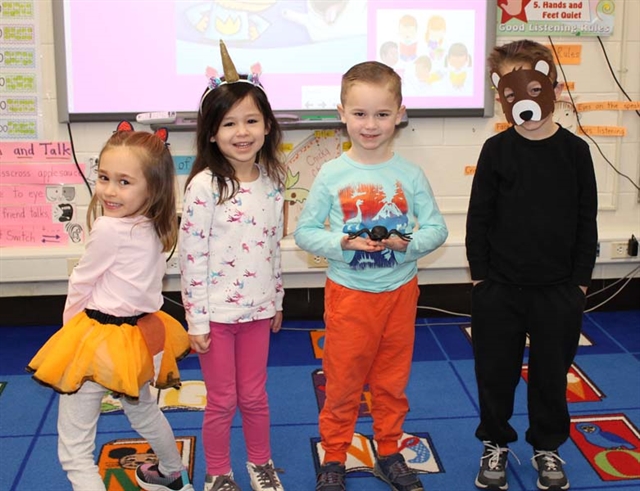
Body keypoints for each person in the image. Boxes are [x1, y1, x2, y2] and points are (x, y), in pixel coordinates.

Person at [294, 61, 448, 491]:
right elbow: (305, 232)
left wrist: (408, 244)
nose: (370, 124)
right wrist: (343, 243)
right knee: (342, 384)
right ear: (341, 113)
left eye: (382, 113)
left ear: (400, 113)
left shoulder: (410, 175)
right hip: (350, 296)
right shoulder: (331, 175)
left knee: (391, 383)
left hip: (400, 294)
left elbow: (437, 228)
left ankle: (389, 451)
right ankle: (335, 455)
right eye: (360, 113)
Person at [27, 124, 193, 491]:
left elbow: (82, 282)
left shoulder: (107, 228)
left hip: (99, 342)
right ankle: (172, 472)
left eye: (123, 182)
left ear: (153, 187)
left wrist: (69, 336)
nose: (108, 191)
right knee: (144, 410)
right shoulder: (155, 224)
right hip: (143, 337)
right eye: (103, 177)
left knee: (74, 448)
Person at [466, 39, 598, 491]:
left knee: (550, 375)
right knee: (495, 371)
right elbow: (479, 215)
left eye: (533, 84)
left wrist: (579, 281)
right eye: (510, 88)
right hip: (499, 289)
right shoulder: (496, 150)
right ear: (500, 93)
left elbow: (586, 218)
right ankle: (496, 443)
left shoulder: (576, 152)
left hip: (558, 289)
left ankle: (547, 446)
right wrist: (480, 276)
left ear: (554, 89)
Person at [179, 40, 286, 491]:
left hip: (259, 310)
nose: (241, 132)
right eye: (229, 123)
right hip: (216, 318)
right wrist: (196, 318)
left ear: (266, 126)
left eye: (251, 121)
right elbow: (191, 256)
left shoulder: (272, 180)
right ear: (211, 133)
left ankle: (260, 463)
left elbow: (272, 247)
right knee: (222, 400)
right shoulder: (205, 187)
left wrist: (277, 299)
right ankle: (219, 471)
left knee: (256, 396)